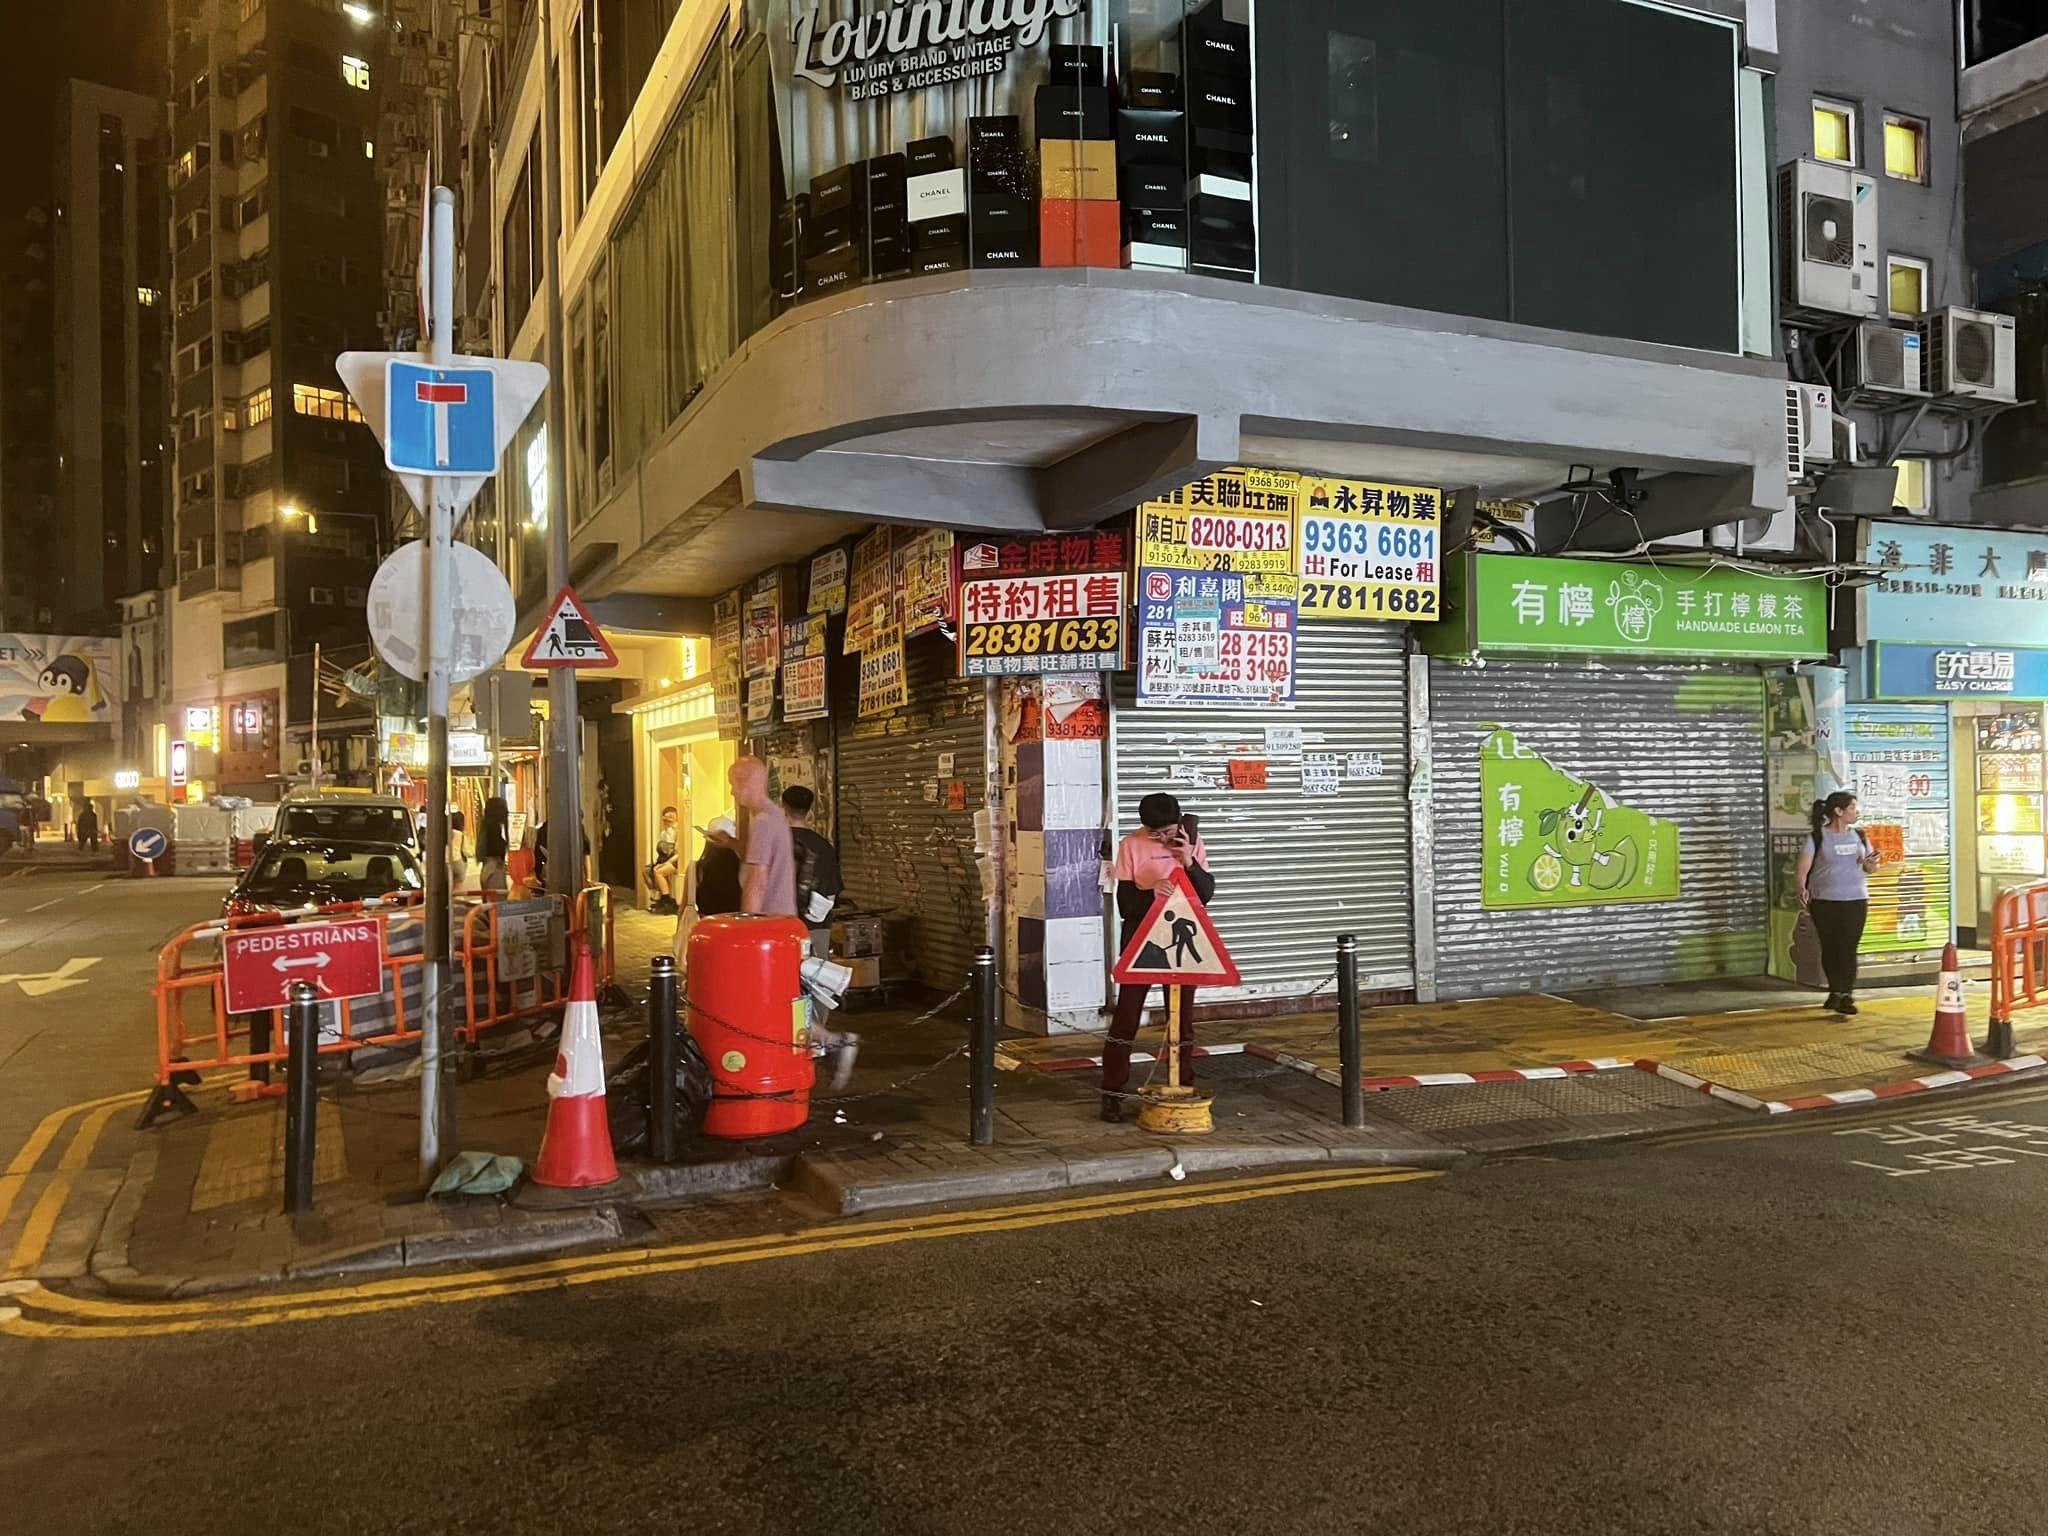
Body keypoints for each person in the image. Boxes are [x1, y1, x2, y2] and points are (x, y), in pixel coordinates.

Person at [1101, 791, 1216, 1123]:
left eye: (1168, 831)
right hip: (1142, 940)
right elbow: (1125, 905)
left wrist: (1188, 860)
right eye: (1156, 833)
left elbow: (1206, 893)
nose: (1164, 838)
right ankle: (1112, 1092)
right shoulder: (1131, 845)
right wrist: (1151, 893)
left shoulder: (1192, 841)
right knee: (1126, 1018)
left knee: (1182, 1021)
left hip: (1183, 940)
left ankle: (1185, 1086)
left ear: (1179, 822)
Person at [1796, 790, 1880, 1016]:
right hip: (1824, 900)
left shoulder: (1859, 835)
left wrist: (1870, 864)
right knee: (1831, 947)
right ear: (1838, 811)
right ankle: (1835, 991)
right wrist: (1802, 887)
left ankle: (1846, 994)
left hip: (1856, 899)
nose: (1856, 812)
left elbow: (1871, 868)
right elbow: (1804, 866)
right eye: (1852, 808)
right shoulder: (1818, 837)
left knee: (1849, 947)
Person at [731, 758, 797, 918]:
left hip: (769, 920)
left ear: (745, 782)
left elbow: (757, 883)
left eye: (733, 784)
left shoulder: (763, 821)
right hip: (782, 918)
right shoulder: (775, 815)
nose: (732, 791)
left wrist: (748, 922)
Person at [782, 785, 843, 957]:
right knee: (815, 971)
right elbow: (831, 893)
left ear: (783, 809)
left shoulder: (775, 842)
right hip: (816, 928)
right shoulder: (824, 846)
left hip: (780, 927)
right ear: (809, 812)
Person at [647, 805, 682, 915]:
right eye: (666, 817)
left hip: (675, 860)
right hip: (665, 858)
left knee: (658, 871)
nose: (669, 820)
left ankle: (667, 901)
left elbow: (679, 852)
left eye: (671, 817)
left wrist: (668, 862)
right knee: (647, 870)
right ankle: (658, 896)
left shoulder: (678, 831)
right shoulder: (664, 833)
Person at [476, 796, 511, 895]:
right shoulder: (495, 828)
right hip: (495, 869)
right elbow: (498, 847)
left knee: (489, 900)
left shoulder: (486, 825)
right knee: (498, 900)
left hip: (487, 867)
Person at [447, 809, 471, 891]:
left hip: (445, 863)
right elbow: (466, 852)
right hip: (458, 862)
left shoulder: (443, 834)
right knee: (458, 888)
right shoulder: (461, 835)